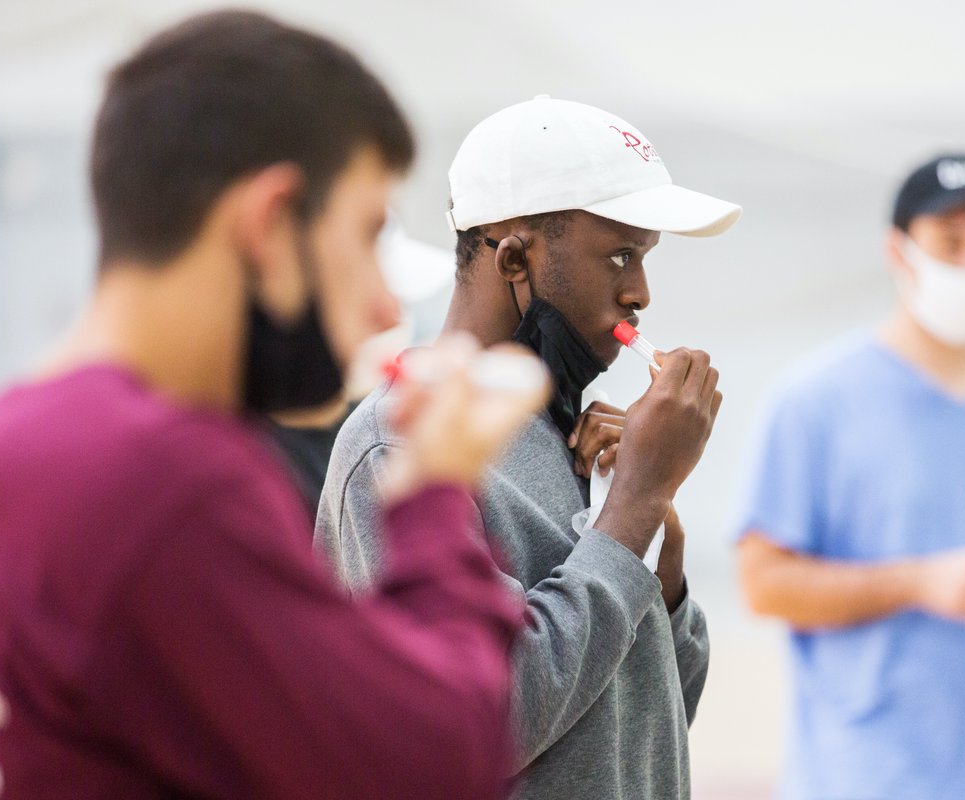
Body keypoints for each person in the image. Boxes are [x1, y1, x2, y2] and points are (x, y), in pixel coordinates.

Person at [0, 11, 548, 799]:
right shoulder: (164, 480)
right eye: (365, 237)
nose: (387, 307)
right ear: (270, 222)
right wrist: (434, 491)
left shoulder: (26, 440)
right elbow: (429, 761)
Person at [316, 96, 740, 799]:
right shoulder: (400, 446)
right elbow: (480, 726)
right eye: (620, 255)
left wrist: (658, 543)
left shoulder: (574, 436)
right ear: (515, 258)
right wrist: (631, 508)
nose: (640, 292)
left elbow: (657, 721)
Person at [736, 152, 965, 800]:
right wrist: (917, 583)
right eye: (950, 243)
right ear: (899, 252)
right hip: (865, 774)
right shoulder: (816, 400)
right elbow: (764, 583)